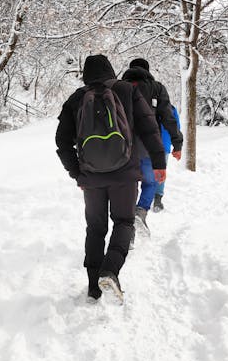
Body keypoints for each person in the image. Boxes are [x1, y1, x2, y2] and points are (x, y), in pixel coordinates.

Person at [55, 54, 166, 303]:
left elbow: (62, 142)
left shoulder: (76, 99)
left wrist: (77, 173)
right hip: (125, 174)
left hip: (91, 177)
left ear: (85, 74)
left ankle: (94, 286)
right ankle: (111, 271)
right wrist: (158, 162)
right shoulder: (127, 90)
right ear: (111, 71)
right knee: (124, 222)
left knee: (95, 228)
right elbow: (149, 126)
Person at [122, 58, 183, 231]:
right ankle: (140, 212)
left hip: (126, 149)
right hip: (150, 148)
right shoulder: (157, 88)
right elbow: (169, 118)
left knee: (130, 185)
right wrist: (177, 143)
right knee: (150, 183)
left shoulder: (119, 88)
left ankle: (127, 226)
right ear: (147, 70)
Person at [153, 104, 181, 212]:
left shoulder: (145, 104)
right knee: (160, 171)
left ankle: (155, 198)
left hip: (155, 145)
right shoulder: (170, 108)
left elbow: (176, 127)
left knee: (151, 171)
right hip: (162, 145)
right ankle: (157, 199)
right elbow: (176, 127)